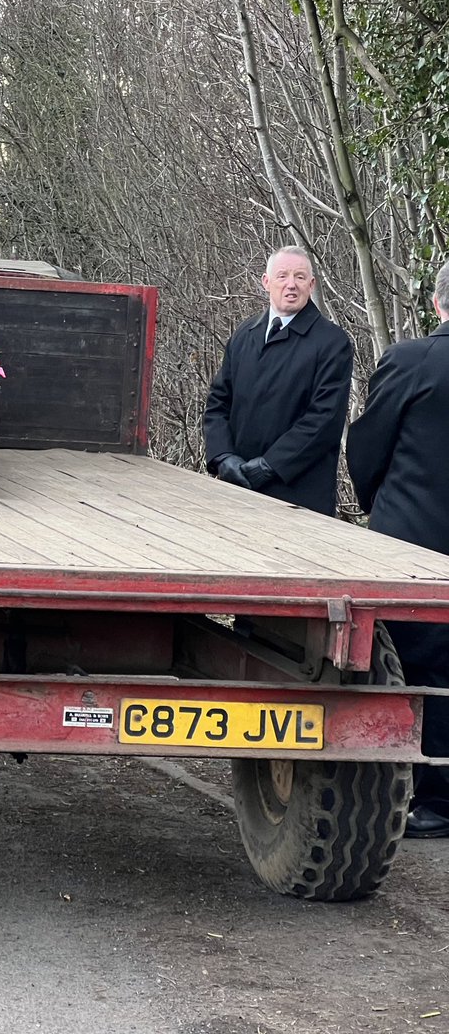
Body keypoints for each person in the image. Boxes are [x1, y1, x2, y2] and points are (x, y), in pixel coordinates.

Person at [346, 260, 449, 837]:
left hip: (416, 540)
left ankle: (432, 798)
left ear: (436, 304)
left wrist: (375, 504)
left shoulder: (410, 362)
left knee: (421, 668)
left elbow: (368, 444)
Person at [203, 245, 353, 515]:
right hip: (236, 489)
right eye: (282, 276)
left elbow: (324, 420)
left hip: (298, 496)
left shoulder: (331, 342)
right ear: (266, 282)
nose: (291, 285)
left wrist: (270, 465)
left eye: (299, 276)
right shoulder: (244, 335)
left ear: (312, 284)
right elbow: (218, 403)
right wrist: (222, 457)